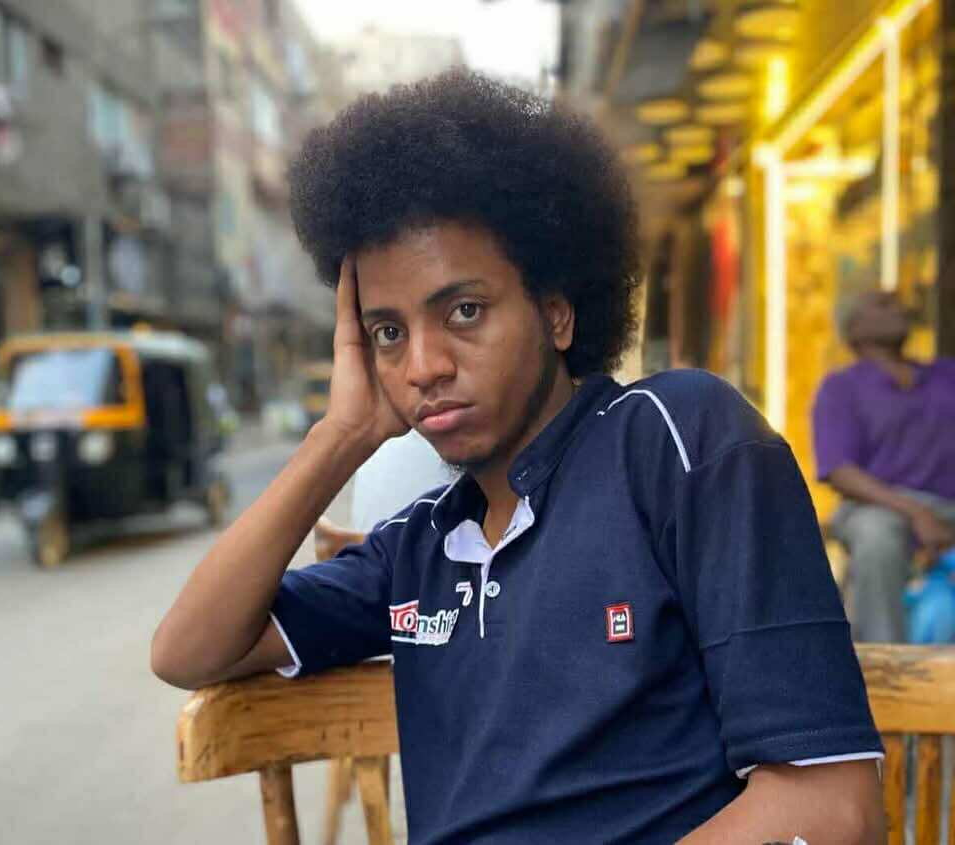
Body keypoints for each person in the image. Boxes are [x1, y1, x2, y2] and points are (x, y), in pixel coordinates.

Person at [152, 70, 885, 844]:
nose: (423, 365)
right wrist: (341, 436)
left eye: (464, 311)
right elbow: (187, 649)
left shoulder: (674, 442)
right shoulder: (419, 548)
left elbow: (830, 806)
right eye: (389, 332)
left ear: (557, 313)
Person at [813, 290, 955, 643]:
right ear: (855, 329)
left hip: (948, 505)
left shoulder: (945, 375)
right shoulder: (841, 387)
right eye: (883, 304)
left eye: (898, 302)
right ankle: (886, 655)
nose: (899, 308)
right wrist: (917, 512)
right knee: (876, 537)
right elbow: (840, 471)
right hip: (878, 507)